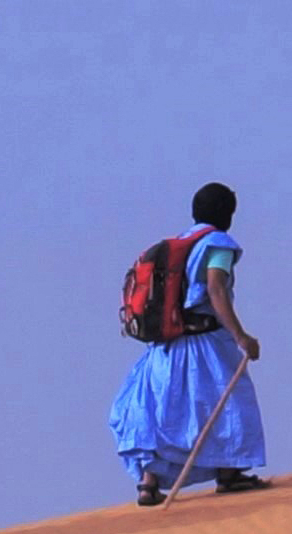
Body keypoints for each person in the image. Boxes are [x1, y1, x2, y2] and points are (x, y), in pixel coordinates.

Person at [111, 182, 268, 506]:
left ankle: (149, 483)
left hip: (165, 348)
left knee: (162, 412)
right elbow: (216, 289)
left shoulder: (179, 243)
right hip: (204, 343)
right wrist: (241, 336)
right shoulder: (217, 244)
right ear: (227, 214)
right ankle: (229, 474)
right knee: (229, 404)